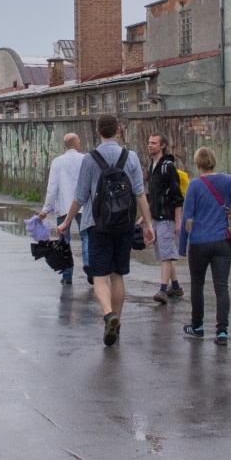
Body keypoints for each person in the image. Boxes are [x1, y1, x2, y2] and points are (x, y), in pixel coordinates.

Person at [57, 113, 155, 347]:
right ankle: (116, 322)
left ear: (97, 132)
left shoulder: (90, 159)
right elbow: (140, 193)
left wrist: (66, 221)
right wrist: (148, 224)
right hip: (124, 225)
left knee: (99, 277)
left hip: (97, 225)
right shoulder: (129, 157)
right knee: (117, 275)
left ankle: (108, 314)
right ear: (119, 131)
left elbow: (80, 197)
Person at [179, 146, 231, 345]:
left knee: (197, 285)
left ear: (197, 164)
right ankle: (222, 331)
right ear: (214, 161)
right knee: (221, 287)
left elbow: (186, 217)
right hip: (223, 241)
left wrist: (182, 246)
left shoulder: (194, 186)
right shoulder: (228, 180)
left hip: (199, 242)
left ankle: (197, 326)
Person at [36, 132, 87, 285]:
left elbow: (52, 188)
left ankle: (67, 275)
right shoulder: (85, 159)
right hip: (83, 206)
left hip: (63, 207)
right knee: (86, 237)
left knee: (63, 241)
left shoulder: (57, 162)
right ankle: (90, 266)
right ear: (76, 143)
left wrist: (45, 210)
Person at [145, 133, 185, 303]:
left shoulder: (168, 167)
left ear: (162, 146)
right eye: (149, 142)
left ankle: (162, 290)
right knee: (165, 253)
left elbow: (177, 196)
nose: (150, 145)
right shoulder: (151, 166)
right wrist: (144, 218)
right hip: (156, 216)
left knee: (166, 255)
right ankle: (175, 287)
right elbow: (151, 195)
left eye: (154, 143)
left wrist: (178, 221)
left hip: (167, 218)